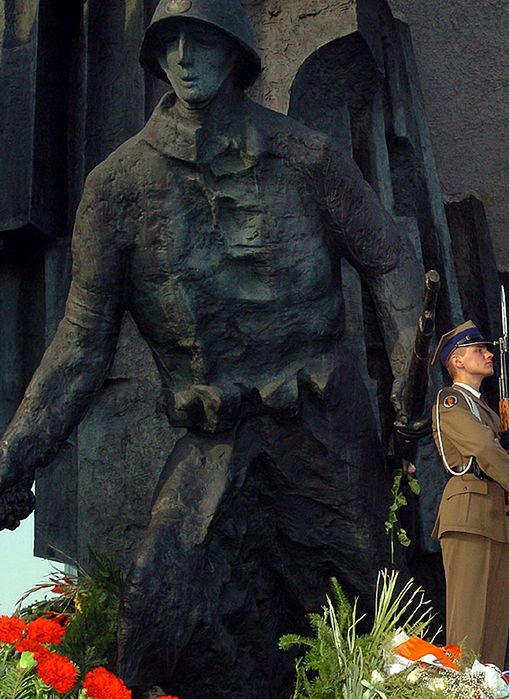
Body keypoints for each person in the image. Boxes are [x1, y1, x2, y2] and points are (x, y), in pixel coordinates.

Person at [0, 0, 423, 695]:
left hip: (321, 427)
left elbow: (389, 261)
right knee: (157, 608)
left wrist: (412, 366)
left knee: (382, 611)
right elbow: (80, 344)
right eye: (171, 44)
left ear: (236, 51)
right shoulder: (117, 188)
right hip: (217, 436)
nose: (185, 59)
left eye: (201, 40)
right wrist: (13, 456)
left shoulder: (310, 158)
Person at [431, 320, 509, 667]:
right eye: (479, 350)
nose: (489, 354)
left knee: (493, 636)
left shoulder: (486, 408)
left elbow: (501, 455)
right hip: (470, 516)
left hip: (497, 519)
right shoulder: (450, 401)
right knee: (468, 631)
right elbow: (481, 448)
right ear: (457, 361)